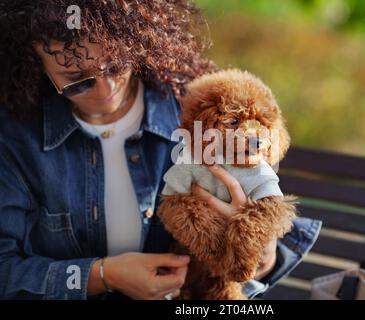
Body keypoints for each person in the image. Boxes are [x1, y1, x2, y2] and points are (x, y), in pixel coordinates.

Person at [0, 1, 321, 299]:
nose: (105, 89)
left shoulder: (199, 111)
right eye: (76, 80)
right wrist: (102, 275)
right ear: (33, 62)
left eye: (115, 65)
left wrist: (259, 253)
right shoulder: (14, 139)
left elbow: (257, 264)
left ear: (135, 41)